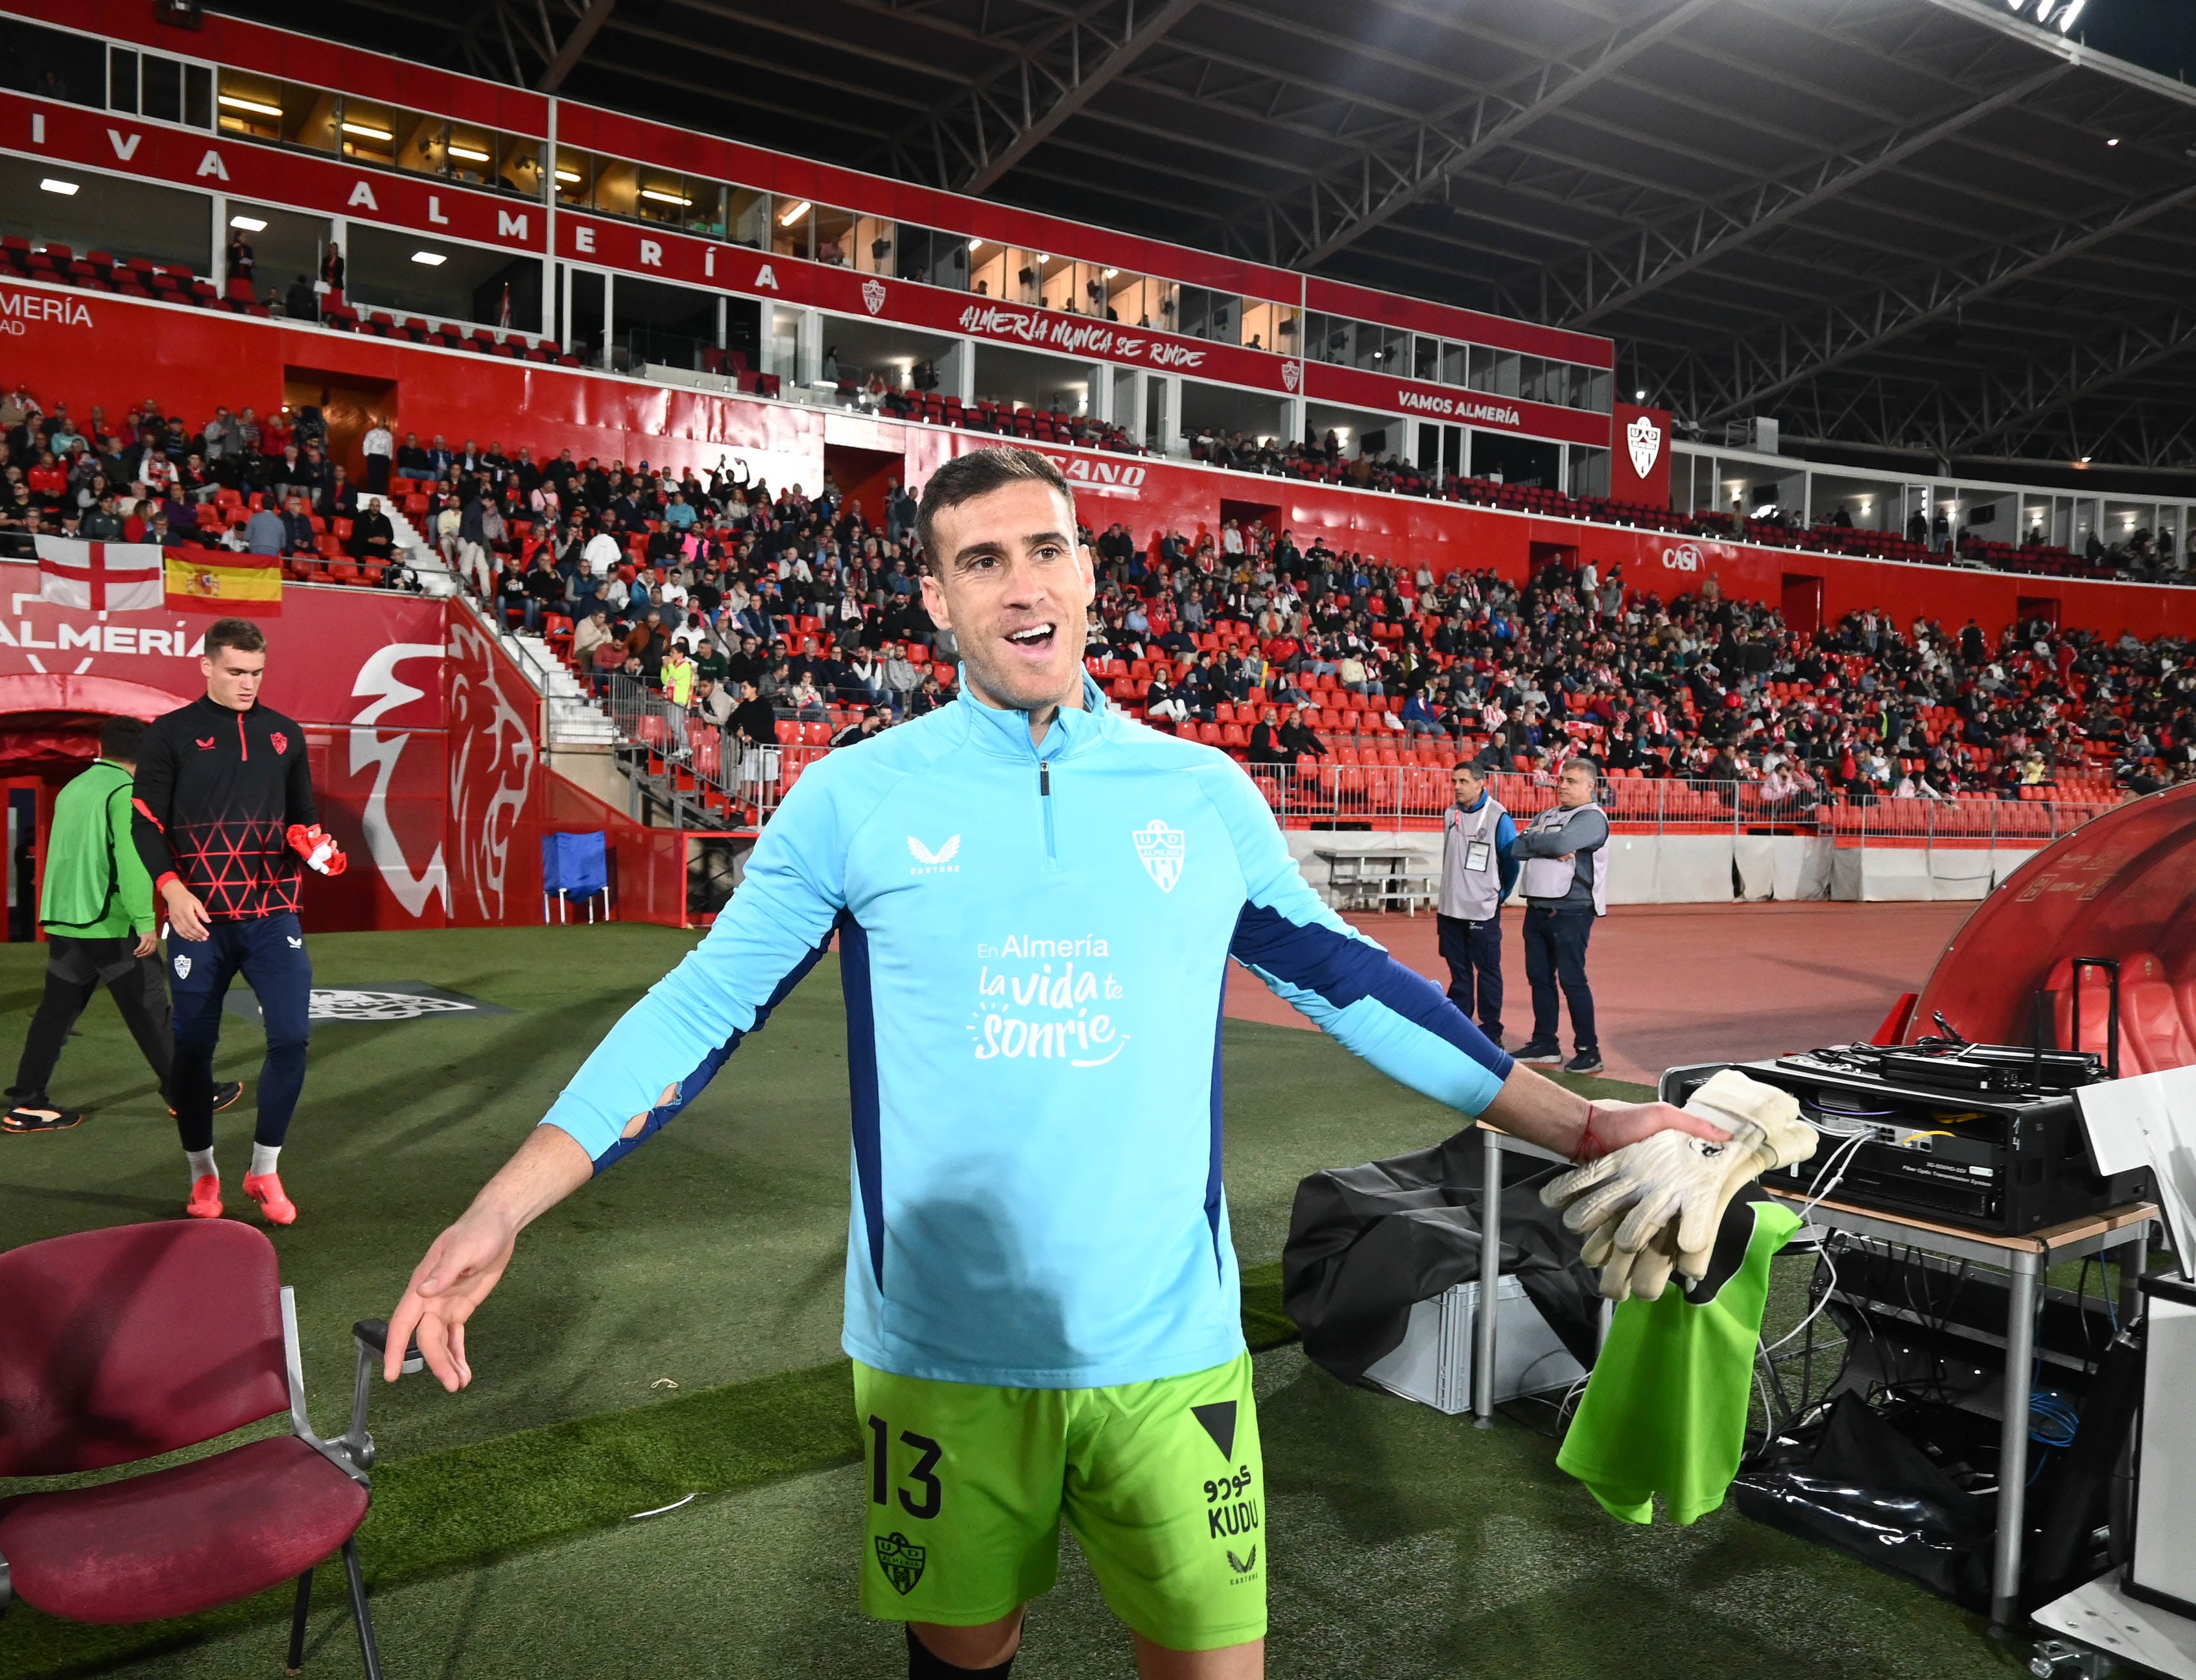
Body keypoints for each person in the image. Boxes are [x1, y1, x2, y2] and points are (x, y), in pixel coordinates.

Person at [377, 448, 1727, 1680]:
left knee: (1207, 1661)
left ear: (1086, 570)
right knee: (967, 1652)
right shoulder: (853, 798)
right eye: (981, 560)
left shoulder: (1195, 793)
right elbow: (698, 1011)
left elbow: (1349, 982)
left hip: (1169, 1347)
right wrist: (502, 1202)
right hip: (940, 1355)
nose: (1021, 585)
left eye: (1045, 549)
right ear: (933, 598)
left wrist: (1576, 1125)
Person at [132, 619, 349, 1225]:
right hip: (199, 919)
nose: (247, 683)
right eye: (235, 672)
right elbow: (145, 822)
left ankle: (264, 1170)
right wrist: (170, 889)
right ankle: (204, 1176)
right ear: (205, 666)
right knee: (194, 1051)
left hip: (272, 915)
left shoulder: (285, 734)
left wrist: (313, 847)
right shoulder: (170, 734)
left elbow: (302, 817)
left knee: (291, 1039)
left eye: (255, 673)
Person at [1, 716, 238, 1133]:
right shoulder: (126, 792)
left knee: (55, 1015)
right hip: (110, 924)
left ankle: (26, 1102)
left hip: (66, 921)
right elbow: (131, 863)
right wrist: (146, 921)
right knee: (152, 1012)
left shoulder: (76, 787)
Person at [1510, 756, 1611, 1074]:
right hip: (1538, 909)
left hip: (1571, 910)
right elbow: (1516, 846)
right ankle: (1545, 1044)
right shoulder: (1549, 814)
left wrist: (1546, 843)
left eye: (1572, 781)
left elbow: (1564, 841)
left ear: (1591, 786)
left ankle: (1588, 1049)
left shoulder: (1592, 818)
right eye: (1562, 780)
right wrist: (1549, 845)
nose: (1563, 786)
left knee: (1572, 979)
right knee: (1539, 979)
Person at [1435, 762, 1518, 1051]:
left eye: (1463, 781)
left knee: (1487, 969)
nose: (1457, 786)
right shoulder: (1450, 813)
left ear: (1481, 783)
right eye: (1454, 781)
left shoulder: (1499, 817)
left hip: (1482, 909)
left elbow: (1511, 862)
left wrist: (1499, 894)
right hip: (1449, 909)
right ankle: (1459, 1024)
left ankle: (1491, 1029)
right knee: (1459, 971)